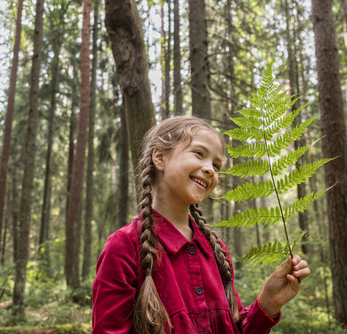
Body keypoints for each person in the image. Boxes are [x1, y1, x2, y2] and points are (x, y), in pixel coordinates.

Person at [92, 116, 310, 334]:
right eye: (199, 153)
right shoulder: (124, 247)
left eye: (216, 165)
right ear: (159, 157)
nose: (210, 169)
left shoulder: (216, 250)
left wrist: (269, 302)